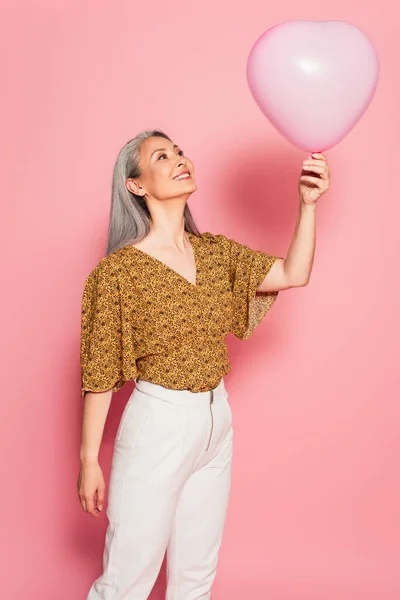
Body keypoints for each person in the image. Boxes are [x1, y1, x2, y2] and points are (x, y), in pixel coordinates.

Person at [77, 129, 330, 600]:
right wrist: (90, 459)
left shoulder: (215, 253)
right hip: (159, 423)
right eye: (161, 156)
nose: (179, 159)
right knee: (126, 579)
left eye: (179, 151)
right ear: (136, 185)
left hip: (216, 421)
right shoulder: (119, 272)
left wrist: (308, 204)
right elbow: (100, 370)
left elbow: (294, 273)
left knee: (196, 579)